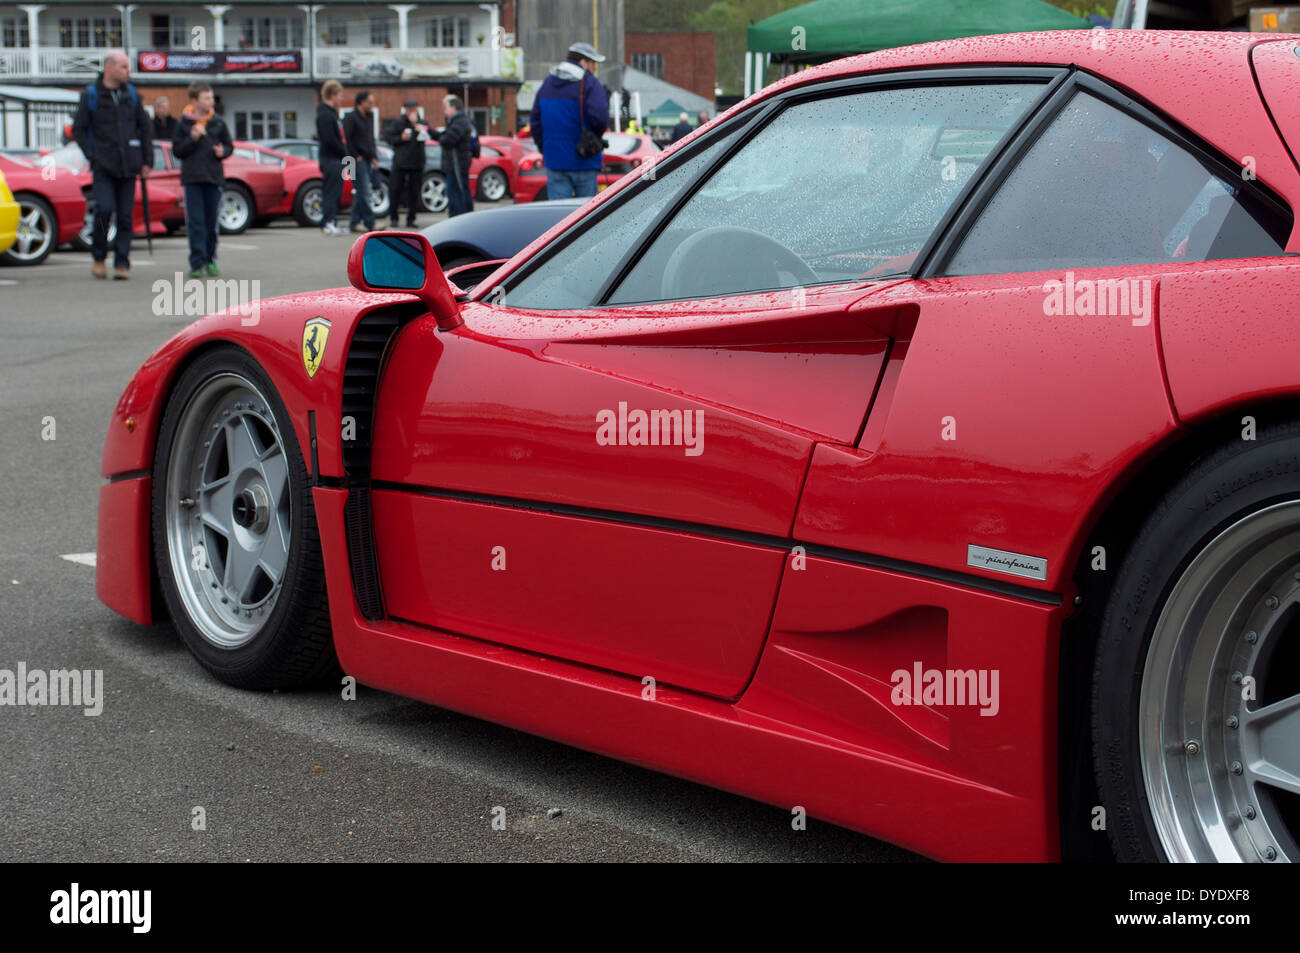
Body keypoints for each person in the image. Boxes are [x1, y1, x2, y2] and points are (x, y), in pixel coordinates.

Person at [72, 49, 152, 280]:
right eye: (124, 67)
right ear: (110, 68)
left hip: (129, 166)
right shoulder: (92, 95)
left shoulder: (132, 95)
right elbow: (79, 129)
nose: (129, 71)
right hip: (103, 166)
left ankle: (122, 263)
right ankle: (99, 257)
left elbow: (144, 128)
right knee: (104, 209)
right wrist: (93, 156)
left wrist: (146, 160)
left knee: (126, 215)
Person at [528, 41, 608, 199]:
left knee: (560, 217)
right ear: (583, 62)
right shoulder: (590, 84)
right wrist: (594, 138)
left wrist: (546, 148)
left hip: (555, 161)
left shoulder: (547, 84)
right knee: (587, 216)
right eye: (593, 64)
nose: (594, 69)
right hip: (585, 160)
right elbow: (600, 118)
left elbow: (535, 122)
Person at [173, 81, 231, 278]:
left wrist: (223, 151)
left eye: (211, 97)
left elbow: (229, 146)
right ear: (194, 100)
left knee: (211, 222)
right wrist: (192, 139)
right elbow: (178, 151)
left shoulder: (218, 122)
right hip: (192, 179)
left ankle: (211, 260)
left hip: (213, 178)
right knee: (195, 223)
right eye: (206, 98)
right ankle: (196, 263)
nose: (211, 101)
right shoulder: (183, 124)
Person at [383, 99, 429, 229]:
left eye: (413, 109)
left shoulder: (422, 123)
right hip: (401, 163)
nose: (411, 112)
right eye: (409, 109)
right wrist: (400, 138)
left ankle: (411, 218)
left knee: (414, 191)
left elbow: (429, 134)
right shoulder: (398, 123)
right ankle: (394, 217)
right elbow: (387, 137)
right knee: (395, 190)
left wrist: (417, 126)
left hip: (417, 163)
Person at [315, 79, 347, 236]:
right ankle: (327, 223)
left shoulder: (332, 114)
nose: (341, 99)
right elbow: (330, 140)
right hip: (331, 160)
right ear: (332, 95)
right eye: (340, 96)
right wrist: (344, 152)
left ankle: (332, 220)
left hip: (336, 159)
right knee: (330, 192)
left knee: (337, 193)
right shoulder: (325, 116)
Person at [344, 90, 378, 233]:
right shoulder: (351, 118)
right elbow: (347, 139)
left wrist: (374, 157)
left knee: (361, 192)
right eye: (369, 102)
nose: (372, 105)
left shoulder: (369, 117)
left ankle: (354, 222)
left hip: (368, 159)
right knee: (364, 191)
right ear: (361, 102)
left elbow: (370, 139)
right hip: (356, 160)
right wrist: (354, 155)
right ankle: (370, 222)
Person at [438, 94, 475, 217]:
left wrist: (441, 136)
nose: (444, 111)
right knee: (461, 191)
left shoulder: (459, 121)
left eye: (446, 108)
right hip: (458, 163)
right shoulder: (460, 121)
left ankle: (459, 219)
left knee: (456, 193)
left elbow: (448, 141)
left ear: (453, 108)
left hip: (457, 164)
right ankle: (464, 217)